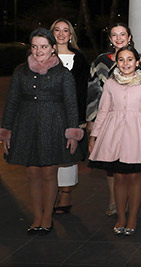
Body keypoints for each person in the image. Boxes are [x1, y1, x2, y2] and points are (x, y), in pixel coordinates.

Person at [0, 27, 84, 233]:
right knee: (32, 173)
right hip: (26, 124)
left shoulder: (63, 73)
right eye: (35, 47)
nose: (38, 51)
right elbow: (12, 102)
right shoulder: (21, 70)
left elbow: (71, 104)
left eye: (44, 47)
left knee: (48, 173)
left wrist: (72, 131)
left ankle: (47, 216)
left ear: (53, 48)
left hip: (54, 125)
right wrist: (6, 130)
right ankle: (36, 216)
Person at [88, 46, 141, 236]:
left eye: (130, 59)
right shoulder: (110, 84)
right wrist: (94, 136)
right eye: (121, 60)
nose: (125, 64)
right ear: (117, 62)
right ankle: (121, 216)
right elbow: (104, 111)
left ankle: (132, 217)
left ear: (137, 62)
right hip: (113, 134)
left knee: (134, 177)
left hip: (137, 135)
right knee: (119, 178)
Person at [86, 22, 141, 217]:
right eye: (114, 35)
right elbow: (92, 91)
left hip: (132, 120)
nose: (119, 38)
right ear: (110, 39)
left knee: (131, 167)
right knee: (111, 164)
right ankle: (115, 200)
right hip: (106, 118)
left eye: (123, 34)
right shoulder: (100, 61)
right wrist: (91, 119)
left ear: (129, 37)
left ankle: (130, 204)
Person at [48, 18, 89, 214]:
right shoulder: (43, 55)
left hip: (70, 115)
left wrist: (81, 119)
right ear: (52, 33)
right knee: (48, 154)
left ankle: (65, 192)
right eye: (57, 30)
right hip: (47, 115)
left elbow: (83, 92)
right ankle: (50, 191)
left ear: (71, 34)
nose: (62, 34)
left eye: (66, 30)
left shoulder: (79, 59)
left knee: (68, 154)